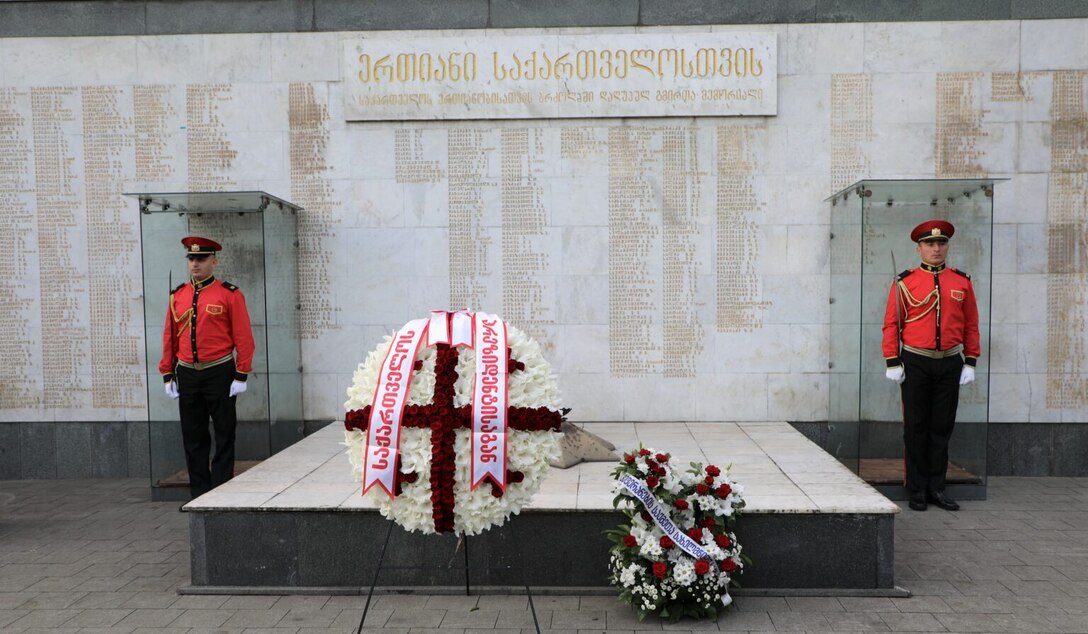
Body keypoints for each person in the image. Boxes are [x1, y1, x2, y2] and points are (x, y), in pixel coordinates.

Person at [882, 220, 979, 512]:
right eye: (929, 244)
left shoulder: (961, 281)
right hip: (916, 361)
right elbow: (891, 323)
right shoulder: (905, 282)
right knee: (916, 428)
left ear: (947, 246)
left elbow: (971, 324)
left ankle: (937, 488)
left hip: (950, 362)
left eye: (941, 243)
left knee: (942, 427)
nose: (936, 249)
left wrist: (971, 360)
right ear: (919, 248)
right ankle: (917, 489)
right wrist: (892, 360)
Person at [159, 236, 255, 499]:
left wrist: (241, 373)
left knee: (224, 434)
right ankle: (200, 495)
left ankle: (222, 494)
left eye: (201, 259)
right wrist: (168, 372)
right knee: (193, 437)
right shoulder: (178, 295)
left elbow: (243, 336)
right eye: (191, 259)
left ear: (214, 260)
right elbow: (170, 336)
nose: (195, 264)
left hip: (219, 372)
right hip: (188, 373)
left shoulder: (229, 294)